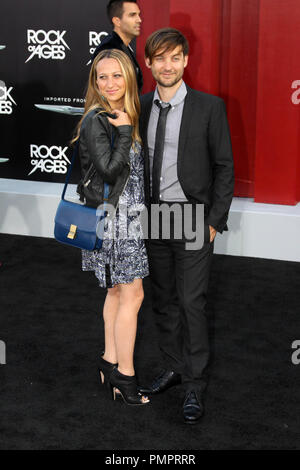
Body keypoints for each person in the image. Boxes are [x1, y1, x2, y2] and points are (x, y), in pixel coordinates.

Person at [138, 28, 235, 423]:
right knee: (164, 301)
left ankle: (194, 384)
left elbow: (225, 167)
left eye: (175, 57)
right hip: (154, 217)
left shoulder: (209, 107)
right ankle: (174, 367)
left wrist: (214, 221)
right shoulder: (139, 105)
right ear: (148, 63)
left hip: (194, 217)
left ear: (186, 61)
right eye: (159, 58)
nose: (167, 65)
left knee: (192, 303)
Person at [74, 48, 149, 405]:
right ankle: (126, 377)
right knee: (133, 296)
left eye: (116, 75)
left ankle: (108, 361)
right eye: (102, 77)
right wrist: (125, 132)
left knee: (117, 293)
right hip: (116, 221)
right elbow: (108, 169)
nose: (110, 83)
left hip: (127, 217)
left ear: (129, 78)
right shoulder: (98, 119)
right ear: (95, 82)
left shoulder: (122, 114)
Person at [92, 0, 143, 92]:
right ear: (117, 21)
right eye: (132, 15)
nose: (139, 20)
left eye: (138, 14)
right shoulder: (108, 49)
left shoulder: (124, 47)